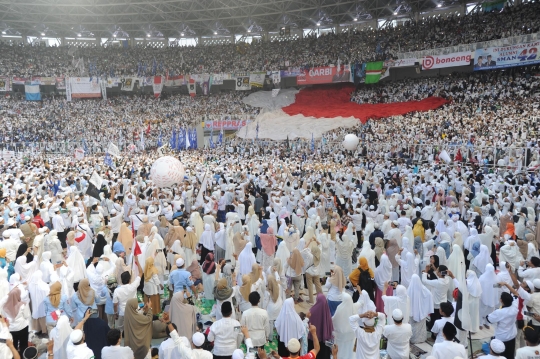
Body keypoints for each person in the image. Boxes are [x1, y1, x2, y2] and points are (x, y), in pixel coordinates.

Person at [113, 258, 142, 333]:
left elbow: (115, 304)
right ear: (129, 279)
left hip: (122, 313)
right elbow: (141, 273)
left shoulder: (117, 291)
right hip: (134, 312)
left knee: (120, 331)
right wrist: (137, 260)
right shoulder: (133, 286)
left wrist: (115, 313)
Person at [487, 292, 519, 359]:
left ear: (501, 300)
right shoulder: (515, 307)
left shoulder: (499, 312)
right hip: (512, 335)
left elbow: (489, 319)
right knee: (510, 355)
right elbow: (516, 295)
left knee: (500, 355)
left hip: (502, 337)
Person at [1, 287, 30, 356]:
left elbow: (5, 317)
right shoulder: (23, 305)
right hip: (22, 327)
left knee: (13, 346)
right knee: (23, 345)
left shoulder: (5, 307)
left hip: (11, 329)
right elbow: (27, 315)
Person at [306, 293, 333, 359]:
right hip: (324, 341)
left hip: (313, 340)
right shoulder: (327, 311)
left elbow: (308, 324)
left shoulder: (312, 311)